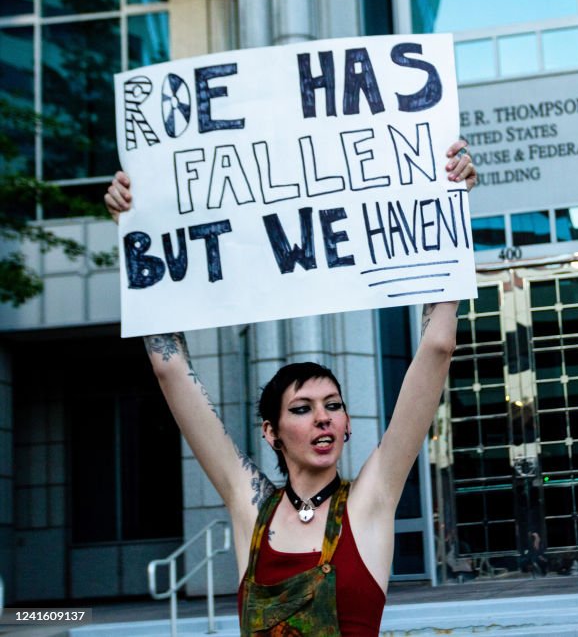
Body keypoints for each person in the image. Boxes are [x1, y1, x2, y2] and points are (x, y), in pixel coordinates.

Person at [105, 140, 477, 636]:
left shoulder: (372, 499)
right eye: (302, 408)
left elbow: (436, 346)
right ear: (271, 433)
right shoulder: (250, 505)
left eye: (334, 406)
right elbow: (171, 370)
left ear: (346, 427)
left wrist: (450, 208)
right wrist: (137, 229)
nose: (324, 417)